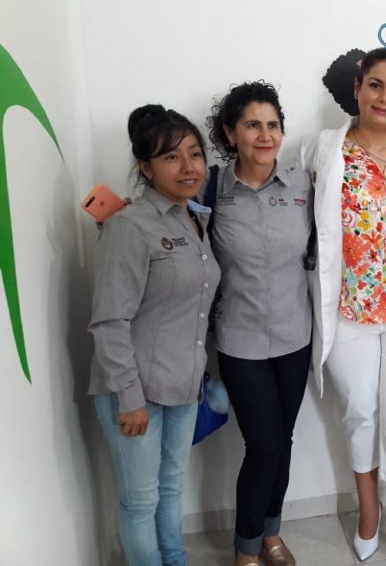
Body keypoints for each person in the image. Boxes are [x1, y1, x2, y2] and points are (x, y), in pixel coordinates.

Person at [298, 47, 386, 566]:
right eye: (375, 85)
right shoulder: (322, 149)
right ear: (358, 89)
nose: (385, 97)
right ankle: (368, 510)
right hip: (347, 311)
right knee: (360, 413)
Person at [89, 104, 221, 566]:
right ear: (145, 167)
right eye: (170, 157)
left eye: (195, 154)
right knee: (140, 500)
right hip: (134, 391)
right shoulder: (129, 226)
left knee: (171, 488)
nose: (188, 167)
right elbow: (110, 321)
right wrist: (129, 398)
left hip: (182, 385)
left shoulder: (197, 218)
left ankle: (175, 560)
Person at [205, 81, 313, 566]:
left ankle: (272, 532)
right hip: (240, 340)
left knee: (282, 442)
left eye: (273, 125)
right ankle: (246, 547)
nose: (265, 135)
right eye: (253, 125)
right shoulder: (210, 189)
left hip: (295, 336)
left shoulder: (303, 186)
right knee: (264, 446)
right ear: (231, 133)